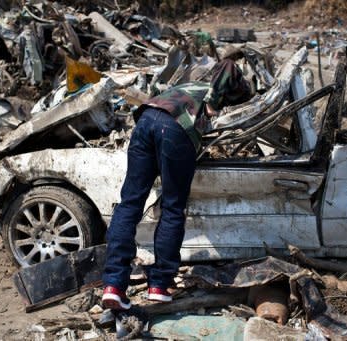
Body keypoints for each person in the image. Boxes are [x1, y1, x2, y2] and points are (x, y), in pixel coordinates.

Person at [102, 54, 253, 310]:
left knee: (129, 204)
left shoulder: (189, 88)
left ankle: (113, 286)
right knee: (173, 208)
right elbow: (228, 63)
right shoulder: (211, 94)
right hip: (174, 130)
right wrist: (214, 106)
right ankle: (159, 285)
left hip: (146, 121)